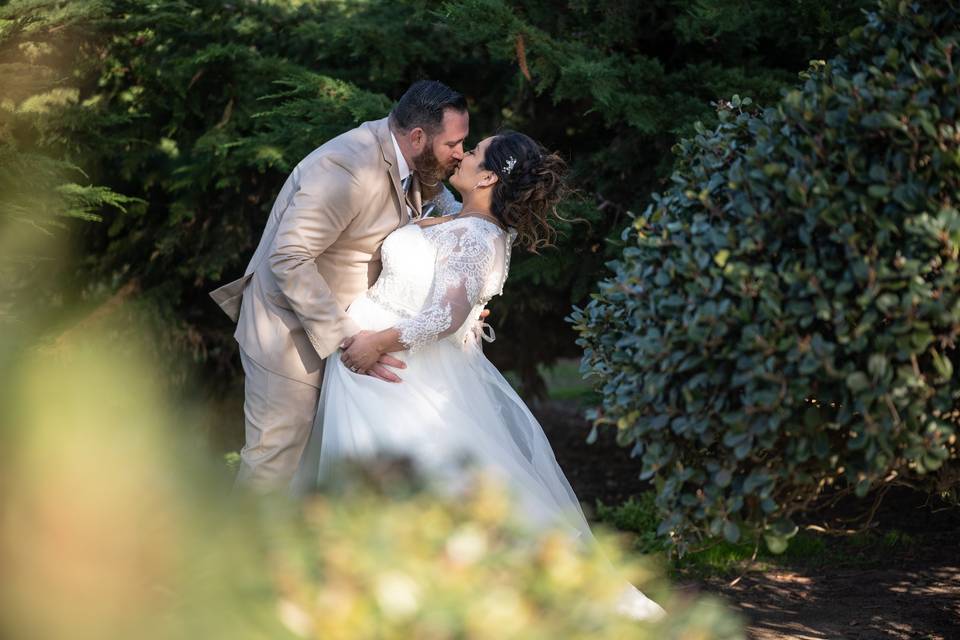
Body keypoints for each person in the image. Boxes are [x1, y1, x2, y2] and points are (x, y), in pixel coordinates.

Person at [303, 131, 665, 620]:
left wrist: (374, 342)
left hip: (393, 371)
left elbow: (446, 315)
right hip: (386, 371)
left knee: (414, 489)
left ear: (490, 175)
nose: (464, 154)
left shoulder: (477, 235)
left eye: (474, 153)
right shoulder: (460, 215)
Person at [210, 80, 469, 490]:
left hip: (348, 336)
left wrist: (465, 301)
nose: (460, 154)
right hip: (289, 336)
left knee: (317, 473)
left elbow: (442, 232)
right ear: (418, 136)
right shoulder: (347, 166)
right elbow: (289, 258)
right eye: (453, 144)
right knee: (274, 464)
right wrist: (350, 338)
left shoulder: (417, 166)